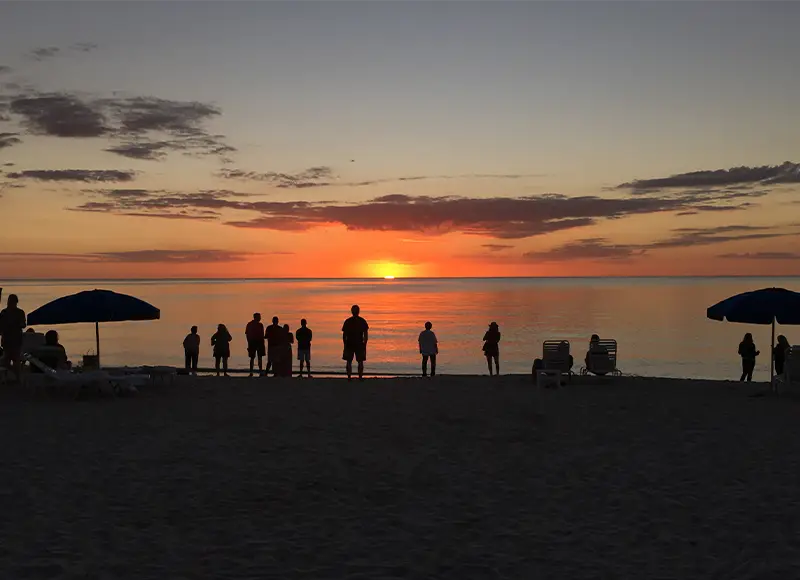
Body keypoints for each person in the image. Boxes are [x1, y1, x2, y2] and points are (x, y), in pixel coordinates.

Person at [0, 294, 26, 382]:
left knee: (15, 361)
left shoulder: (20, 312)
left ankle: (17, 378)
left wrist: (15, 324)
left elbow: (23, 324)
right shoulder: (4, 312)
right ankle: (10, 377)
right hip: (7, 340)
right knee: (6, 361)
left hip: (16, 340)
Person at [342, 304, 369, 381]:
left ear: (351, 312)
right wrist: (364, 344)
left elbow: (344, 336)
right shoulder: (362, 321)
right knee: (360, 361)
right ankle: (360, 377)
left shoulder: (348, 321)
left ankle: (349, 377)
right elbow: (366, 335)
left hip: (350, 343)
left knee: (349, 361)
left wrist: (345, 344)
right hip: (358, 344)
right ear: (358, 312)